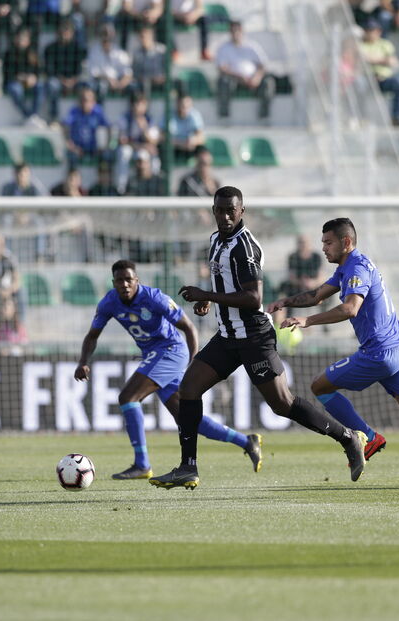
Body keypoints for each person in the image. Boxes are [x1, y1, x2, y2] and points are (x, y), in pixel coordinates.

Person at [148, 187, 367, 489]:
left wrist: (207, 294)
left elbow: (254, 298)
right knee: (188, 389)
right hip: (227, 336)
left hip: (253, 337)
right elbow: (228, 285)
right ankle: (188, 467)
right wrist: (208, 300)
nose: (225, 216)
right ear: (213, 210)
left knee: (283, 404)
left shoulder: (245, 247)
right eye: (219, 210)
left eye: (231, 210)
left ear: (242, 211)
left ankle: (348, 437)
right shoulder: (215, 241)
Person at [269, 218, 399, 494]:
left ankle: (370, 438)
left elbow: (350, 308)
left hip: (379, 353)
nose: (324, 249)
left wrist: (307, 322)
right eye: (323, 243)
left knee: (320, 386)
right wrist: (287, 301)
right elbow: (318, 295)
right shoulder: (348, 267)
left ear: (346, 242)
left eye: (328, 243)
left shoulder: (356, 269)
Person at [76, 260, 263, 479]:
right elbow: (92, 336)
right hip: (154, 356)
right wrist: (83, 361)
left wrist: (194, 364)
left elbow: (189, 329)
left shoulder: (155, 298)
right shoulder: (109, 303)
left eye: (129, 279)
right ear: (113, 282)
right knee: (188, 420)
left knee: (128, 397)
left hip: (171, 351)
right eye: (120, 280)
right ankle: (247, 441)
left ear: (137, 280)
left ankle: (142, 464)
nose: (124, 284)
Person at [215, 21, 275, 121]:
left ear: (242, 31)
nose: (235, 33)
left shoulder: (252, 46)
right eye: (233, 31)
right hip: (234, 79)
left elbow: (263, 65)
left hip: (253, 80)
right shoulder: (224, 48)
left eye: (237, 30)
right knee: (223, 82)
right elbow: (222, 68)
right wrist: (239, 77)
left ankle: (264, 117)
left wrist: (257, 77)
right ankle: (224, 117)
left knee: (269, 82)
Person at [43, 18, 87, 126]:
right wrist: (63, 80)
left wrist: (73, 80)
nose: (65, 34)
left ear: (72, 33)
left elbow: (81, 70)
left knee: (89, 86)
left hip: (74, 81)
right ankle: (54, 117)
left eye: (68, 31)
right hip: (59, 80)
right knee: (52, 85)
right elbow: (49, 70)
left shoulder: (78, 49)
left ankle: (86, 116)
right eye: (63, 31)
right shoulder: (50, 49)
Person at [359, 19, 399, 125]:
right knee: (358, 85)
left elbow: (392, 61)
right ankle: (362, 118)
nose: (370, 33)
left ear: (378, 31)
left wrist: (371, 60)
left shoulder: (385, 44)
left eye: (372, 30)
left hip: (383, 79)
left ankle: (396, 117)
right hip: (367, 79)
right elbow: (360, 60)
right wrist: (382, 60)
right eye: (368, 30)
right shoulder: (360, 45)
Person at [2, 27, 44, 125]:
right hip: (14, 83)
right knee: (15, 90)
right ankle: (29, 116)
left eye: (24, 39)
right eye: (19, 38)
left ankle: (34, 114)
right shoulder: (8, 54)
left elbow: (39, 71)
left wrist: (33, 78)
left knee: (40, 86)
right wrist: (22, 79)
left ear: (28, 41)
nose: (21, 41)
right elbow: (8, 74)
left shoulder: (33, 54)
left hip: (30, 84)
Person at [62, 86, 110, 168]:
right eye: (83, 100)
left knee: (107, 156)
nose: (85, 103)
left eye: (88, 101)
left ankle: (103, 180)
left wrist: (106, 145)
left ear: (94, 102)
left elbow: (109, 127)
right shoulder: (74, 111)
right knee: (71, 157)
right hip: (77, 148)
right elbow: (64, 126)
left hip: (93, 148)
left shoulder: (98, 112)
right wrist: (71, 145)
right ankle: (73, 179)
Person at [86, 24, 133, 102]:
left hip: (118, 81)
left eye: (108, 35)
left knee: (133, 87)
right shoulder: (94, 51)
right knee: (100, 86)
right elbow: (94, 73)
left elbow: (128, 73)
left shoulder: (119, 51)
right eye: (104, 34)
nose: (106, 38)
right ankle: (100, 112)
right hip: (101, 81)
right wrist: (109, 79)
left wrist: (121, 84)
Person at [167, 93, 204, 163]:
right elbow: (163, 137)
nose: (185, 108)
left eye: (188, 106)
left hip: (189, 147)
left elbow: (201, 137)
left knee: (202, 149)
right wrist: (181, 144)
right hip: (175, 147)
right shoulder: (169, 115)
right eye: (183, 106)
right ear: (177, 104)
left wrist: (193, 141)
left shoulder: (194, 115)